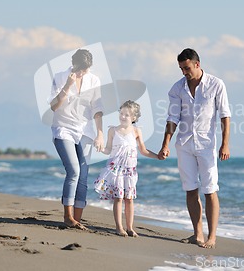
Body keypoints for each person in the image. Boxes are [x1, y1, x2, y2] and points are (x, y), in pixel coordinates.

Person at [158, 48, 231, 249]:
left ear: (197, 64)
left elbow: (225, 115)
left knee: (210, 190)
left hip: (207, 145)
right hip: (185, 144)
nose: (184, 72)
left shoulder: (216, 84)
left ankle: (212, 236)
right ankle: (197, 234)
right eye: (181, 68)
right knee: (190, 189)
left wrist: (225, 143)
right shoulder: (177, 89)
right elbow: (172, 118)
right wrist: (166, 144)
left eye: (187, 68)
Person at [48, 49, 104, 230]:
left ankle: (78, 220)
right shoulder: (60, 76)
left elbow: (97, 108)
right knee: (73, 171)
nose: (82, 73)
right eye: (80, 69)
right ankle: (68, 217)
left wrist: (100, 133)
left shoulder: (94, 80)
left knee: (83, 175)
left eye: (86, 70)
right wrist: (67, 85)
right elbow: (54, 106)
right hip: (63, 128)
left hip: (85, 130)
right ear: (74, 64)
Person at [94, 100, 160, 237]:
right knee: (118, 198)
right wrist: (100, 148)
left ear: (134, 118)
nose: (123, 117)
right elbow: (108, 150)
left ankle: (130, 227)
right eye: (121, 113)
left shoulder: (136, 131)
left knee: (129, 199)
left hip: (130, 170)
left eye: (127, 115)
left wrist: (157, 156)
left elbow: (143, 150)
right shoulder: (113, 130)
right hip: (116, 169)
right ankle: (119, 227)